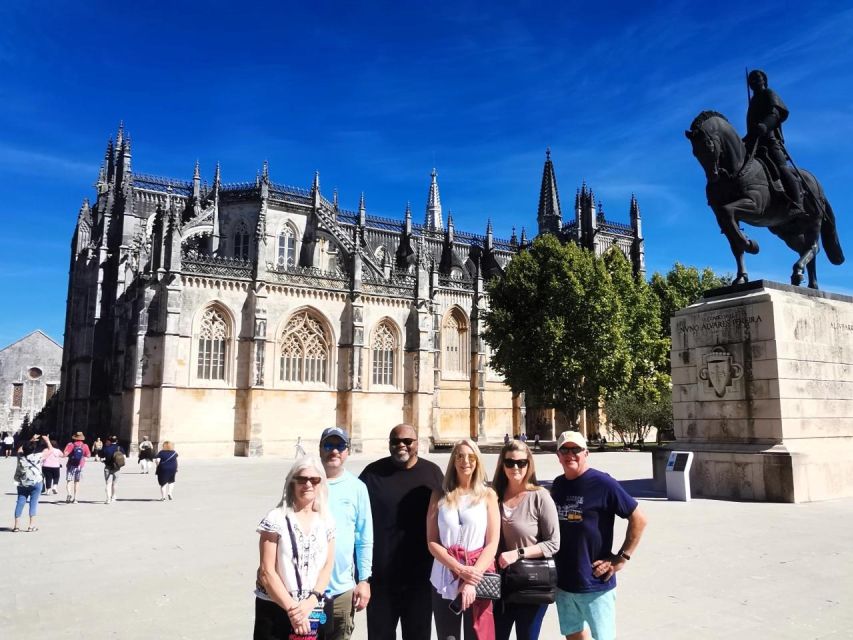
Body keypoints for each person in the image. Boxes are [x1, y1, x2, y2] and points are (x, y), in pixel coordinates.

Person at [550, 431, 647, 640]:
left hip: (595, 582)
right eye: (564, 450)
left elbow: (639, 519)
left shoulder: (604, 483)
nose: (570, 454)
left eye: (575, 449)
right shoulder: (557, 485)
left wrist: (622, 558)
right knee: (574, 636)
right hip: (564, 583)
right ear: (558, 456)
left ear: (586, 453)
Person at [359, 424, 443, 640]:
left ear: (417, 443)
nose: (401, 446)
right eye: (396, 441)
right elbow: (354, 519)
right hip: (380, 578)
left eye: (408, 441)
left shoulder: (432, 473)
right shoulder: (372, 473)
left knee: (418, 635)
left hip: (420, 578)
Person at [254, 456, 335, 640]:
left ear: (320, 484)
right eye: (302, 479)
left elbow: (328, 566)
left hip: (313, 608)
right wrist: (293, 610)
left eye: (314, 480)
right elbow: (267, 572)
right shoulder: (276, 518)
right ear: (292, 483)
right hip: (277, 608)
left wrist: (309, 603)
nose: (308, 484)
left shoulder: (326, 520)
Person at [428, 439, 500, 640]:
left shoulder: (488, 495)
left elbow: (492, 542)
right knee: (448, 637)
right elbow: (432, 541)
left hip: (478, 575)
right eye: (459, 456)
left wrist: (470, 580)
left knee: (475, 636)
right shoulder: (439, 495)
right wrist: (459, 570)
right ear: (453, 460)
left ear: (477, 461)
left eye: (471, 456)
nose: (465, 461)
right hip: (444, 575)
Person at [491, 440, 559, 640]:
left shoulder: (540, 497)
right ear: (502, 465)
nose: (515, 467)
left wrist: (518, 553)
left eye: (521, 463)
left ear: (529, 465)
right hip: (498, 583)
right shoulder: (492, 495)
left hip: (530, 583)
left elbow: (554, 543)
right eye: (510, 462)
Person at [317, 427, 372, 640]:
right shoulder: (305, 482)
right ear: (320, 449)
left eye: (340, 446)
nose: (334, 451)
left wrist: (364, 580)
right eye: (328, 445)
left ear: (347, 451)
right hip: (305, 590)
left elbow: (364, 537)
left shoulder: (357, 488)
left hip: (341, 590)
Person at [744, 69, 802, 211]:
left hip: (770, 140)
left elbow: (775, 114)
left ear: (764, 80)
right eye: (751, 79)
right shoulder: (752, 101)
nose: (754, 80)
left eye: (757, 77)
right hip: (754, 142)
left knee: (781, 167)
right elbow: (751, 126)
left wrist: (764, 126)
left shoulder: (768, 94)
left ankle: (797, 202)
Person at [12, 434, 52, 532]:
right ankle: (31, 526)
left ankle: (16, 526)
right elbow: (50, 450)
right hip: (36, 483)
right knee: (33, 503)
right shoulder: (37, 456)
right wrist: (47, 440)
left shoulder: (20, 456)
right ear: (33, 449)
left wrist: (31, 439)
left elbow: (20, 449)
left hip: (22, 483)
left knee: (20, 502)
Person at [63, 432, 91, 503]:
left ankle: (69, 494)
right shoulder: (85, 446)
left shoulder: (71, 445)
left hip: (71, 465)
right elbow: (88, 455)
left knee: (69, 481)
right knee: (77, 482)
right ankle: (75, 498)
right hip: (79, 466)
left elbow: (65, 454)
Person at [102, 435, 125, 504]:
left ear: (110, 441)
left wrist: (104, 461)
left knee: (108, 484)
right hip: (117, 468)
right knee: (114, 484)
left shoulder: (106, 448)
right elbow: (124, 458)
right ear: (117, 441)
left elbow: (102, 458)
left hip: (108, 467)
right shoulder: (120, 448)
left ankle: (108, 499)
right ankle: (113, 497)